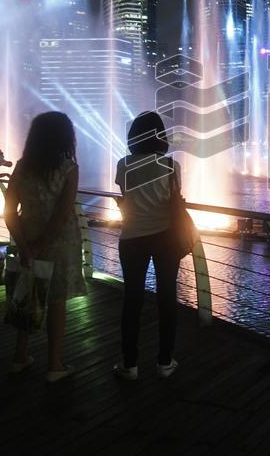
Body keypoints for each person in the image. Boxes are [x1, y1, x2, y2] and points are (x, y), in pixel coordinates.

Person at [4, 111, 86, 381]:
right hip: (59, 243)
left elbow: (8, 211)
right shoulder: (68, 169)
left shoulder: (22, 167)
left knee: (27, 295)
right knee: (56, 302)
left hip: (27, 238)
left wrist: (26, 245)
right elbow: (62, 215)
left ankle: (19, 356)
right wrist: (40, 245)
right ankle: (54, 364)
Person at [112, 111, 183, 381]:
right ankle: (165, 362)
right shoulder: (171, 165)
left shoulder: (123, 164)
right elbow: (174, 200)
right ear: (161, 136)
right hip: (166, 238)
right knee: (167, 299)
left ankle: (130, 365)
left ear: (134, 137)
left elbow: (126, 197)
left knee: (132, 300)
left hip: (132, 237)